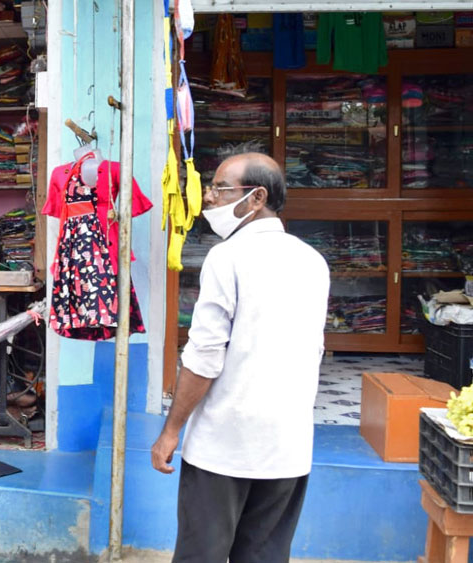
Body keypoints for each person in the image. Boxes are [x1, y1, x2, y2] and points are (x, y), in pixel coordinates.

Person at [150, 152, 330, 563]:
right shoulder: (313, 261)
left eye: (220, 188)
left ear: (256, 197)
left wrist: (171, 430)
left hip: (225, 444)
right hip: (288, 444)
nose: (209, 198)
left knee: (202, 555)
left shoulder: (227, 257)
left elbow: (205, 356)